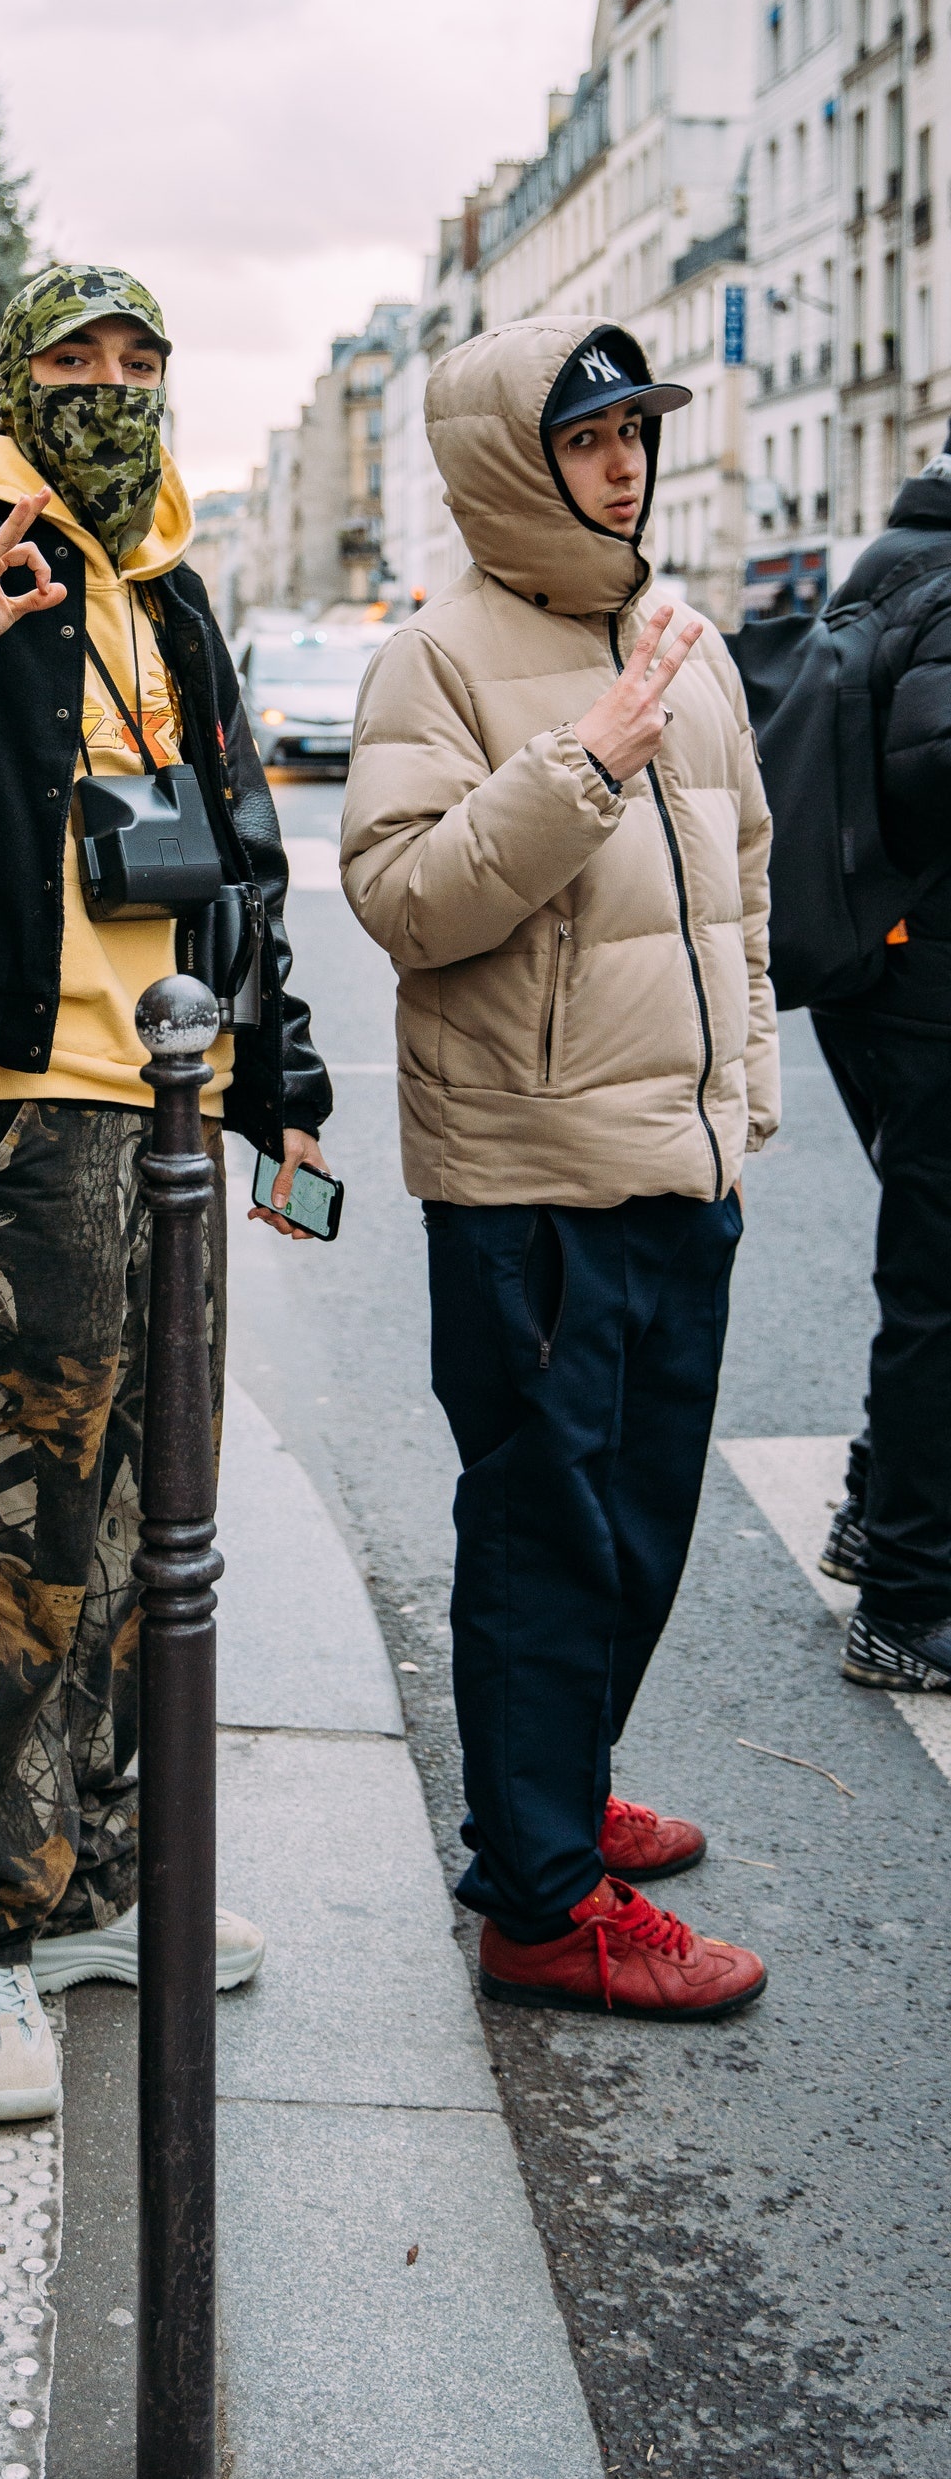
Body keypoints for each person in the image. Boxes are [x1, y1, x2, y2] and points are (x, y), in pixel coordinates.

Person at [0, 263, 332, 2125]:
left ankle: (94, 1873)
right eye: (75, 360)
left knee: (147, 1516)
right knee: (18, 1525)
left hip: (169, 1115)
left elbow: (242, 851)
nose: (111, 386)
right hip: (20, 1103)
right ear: (15, 378)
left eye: (138, 360)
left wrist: (281, 1082)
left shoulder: (174, 583)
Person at [340, 315, 777, 2021]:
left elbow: (740, 885)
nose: (623, 463)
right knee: (545, 1535)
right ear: (512, 459)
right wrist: (583, 763)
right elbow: (405, 897)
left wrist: (740, 1103)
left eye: (635, 432)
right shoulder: (435, 657)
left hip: (678, 1162)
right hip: (527, 1178)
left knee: (643, 1520)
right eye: (587, 436)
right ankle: (538, 1904)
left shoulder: (683, 635)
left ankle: (561, 1792)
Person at [801, 438, 951, 1690]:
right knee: (940, 1294)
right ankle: (906, 1600)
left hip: (879, 973)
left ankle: (870, 1511)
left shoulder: (891, 562)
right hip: (931, 988)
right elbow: (936, 762)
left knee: (929, 1277)